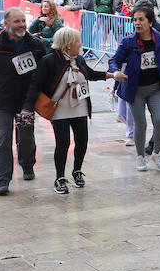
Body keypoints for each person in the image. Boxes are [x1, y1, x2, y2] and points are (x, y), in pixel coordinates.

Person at [24, 27, 116, 194]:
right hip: (59, 110)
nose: (80, 43)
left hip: (79, 107)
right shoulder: (49, 61)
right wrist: (27, 109)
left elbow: (91, 74)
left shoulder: (79, 59)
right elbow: (35, 85)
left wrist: (112, 75)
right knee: (63, 143)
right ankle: (59, 177)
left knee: (82, 141)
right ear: (67, 45)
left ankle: (77, 171)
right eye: (77, 41)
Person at [109, 6, 160, 172]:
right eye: (135, 20)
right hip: (135, 89)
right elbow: (115, 60)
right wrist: (115, 71)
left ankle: (157, 152)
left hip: (156, 88)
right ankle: (140, 156)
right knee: (141, 124)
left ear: (150, 22)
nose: (137, 23)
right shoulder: (128, 42)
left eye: (141, 20)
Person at [0, 8, 47, 196]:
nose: (22, 25)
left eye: (23, 21)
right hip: (2, 101)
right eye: (17, 21)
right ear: (6, 24)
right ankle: (2, 180)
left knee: (26, 136)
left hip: (27, 102)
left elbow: (44, 72)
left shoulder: (36, 45)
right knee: (3, 138)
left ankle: (27, 164)